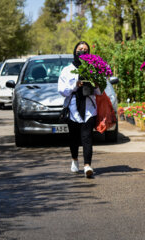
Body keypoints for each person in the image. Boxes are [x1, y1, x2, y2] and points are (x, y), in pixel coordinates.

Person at [58, 41, 100, 178]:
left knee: (87, 138)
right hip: (73, 110)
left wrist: (96, 83)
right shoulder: (67, 70)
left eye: (85, 50)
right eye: (80, 49)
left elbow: (99, 92)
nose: (82, 52)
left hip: (89, 109)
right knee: (74, 138)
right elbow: (62, 91)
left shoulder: (94, 69)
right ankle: (75, 159)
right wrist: (75, 85)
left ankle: (87, 165)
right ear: (75, 51)